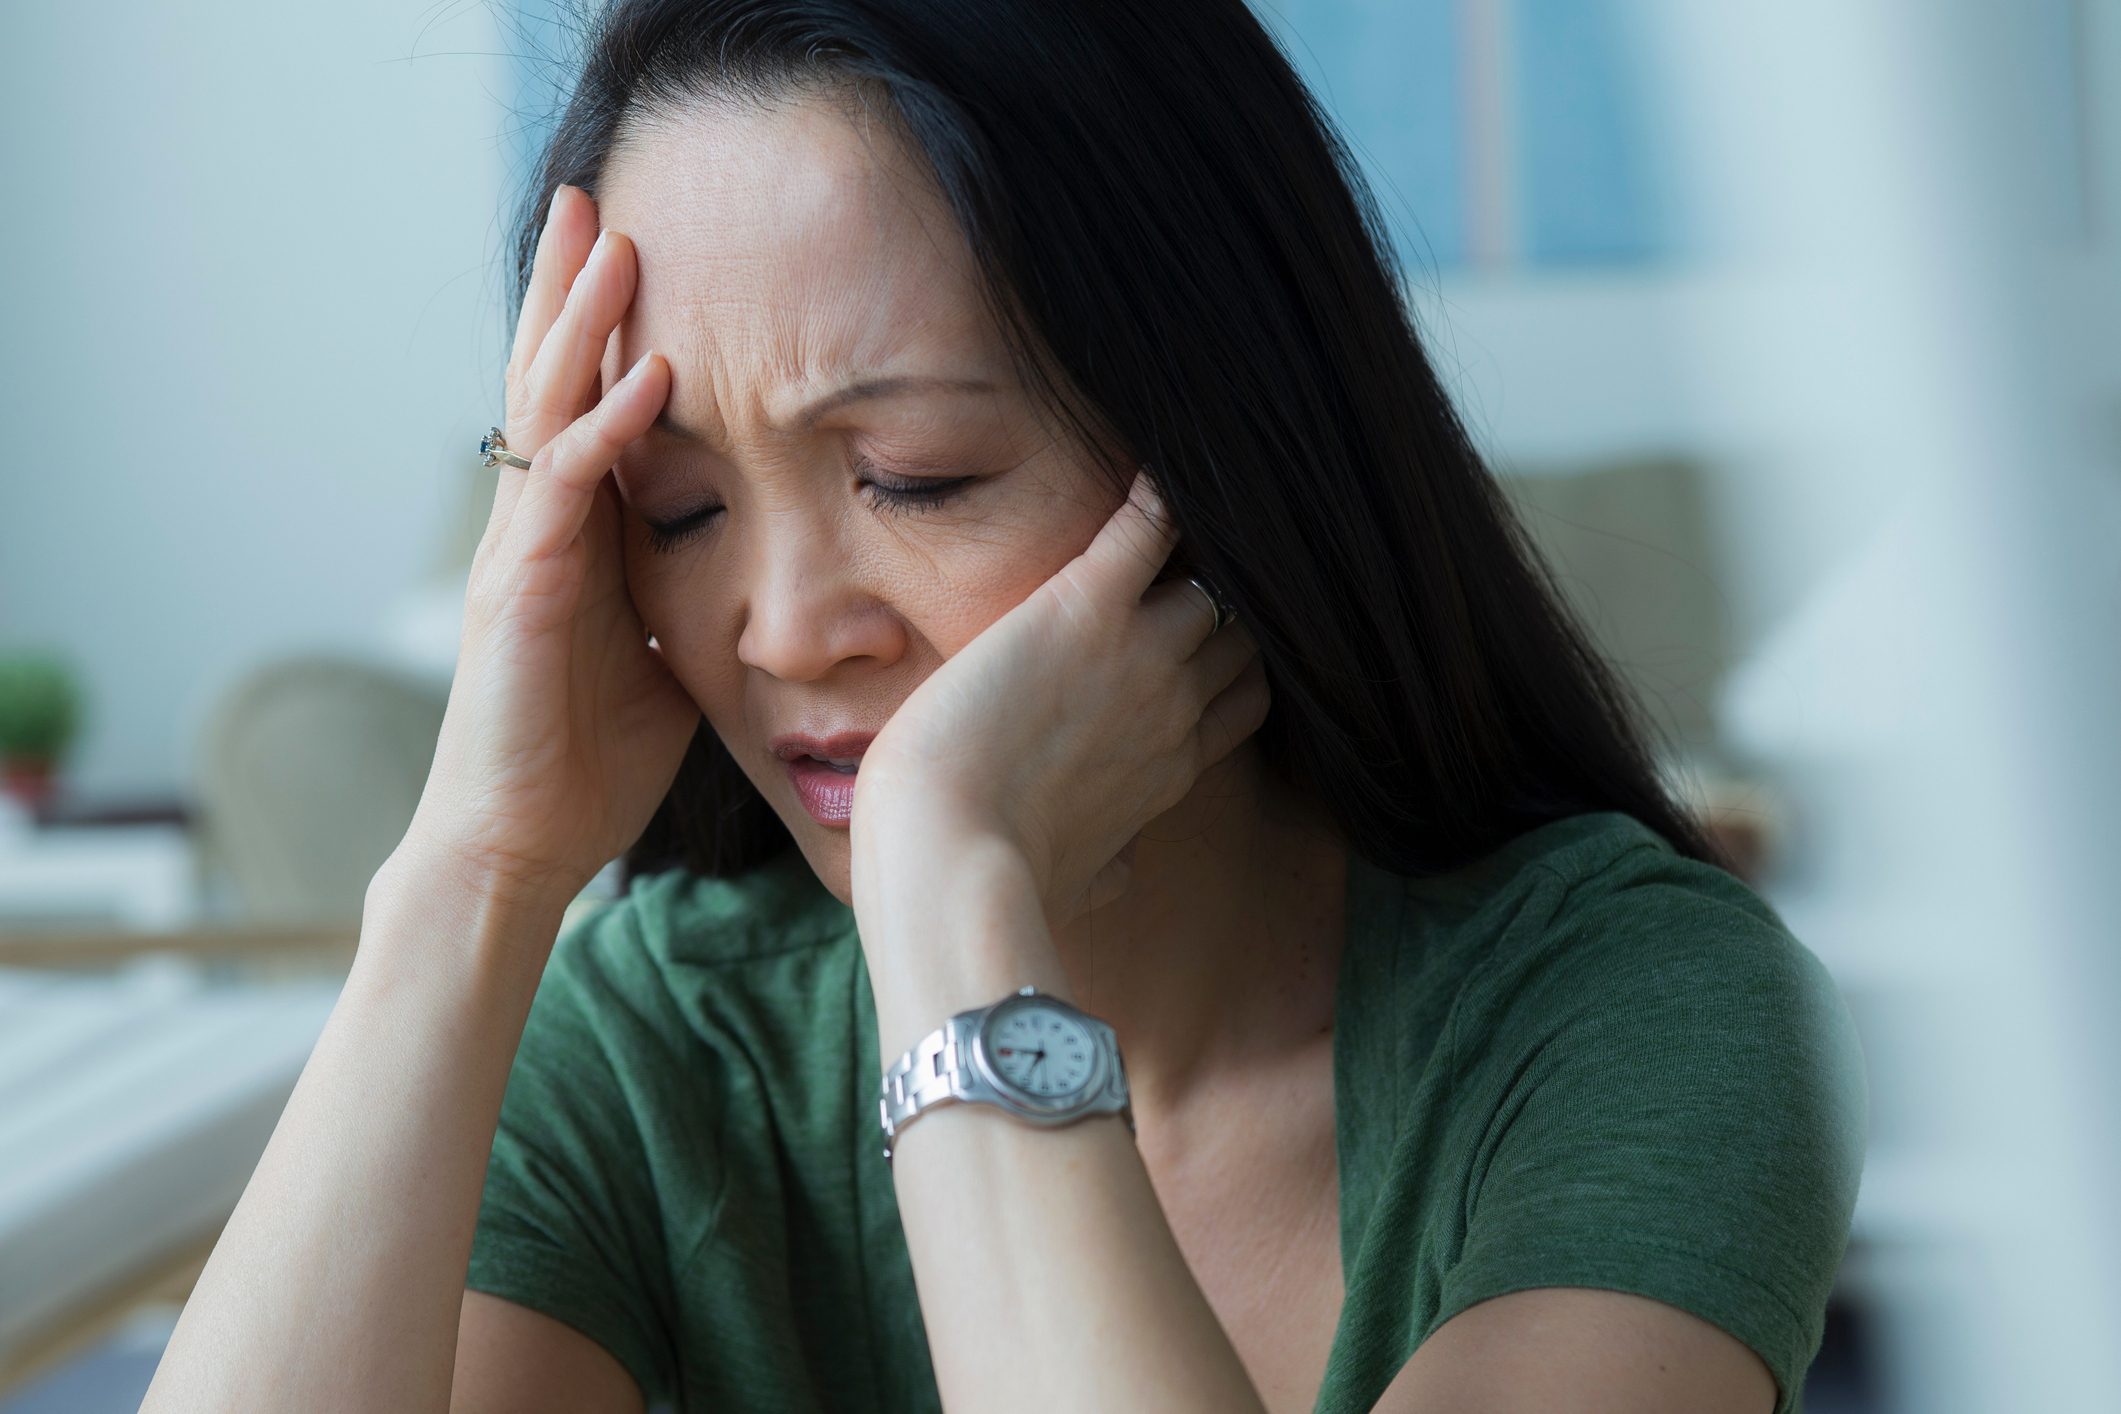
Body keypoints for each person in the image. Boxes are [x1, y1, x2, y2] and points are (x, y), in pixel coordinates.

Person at [141, 2, 1866, 1411]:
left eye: (913, 474)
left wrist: (957, 899)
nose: (785, 629)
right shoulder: (667, 1042)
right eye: (676, 508)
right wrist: (473, 871)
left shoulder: (1635, 1016)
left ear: (1222, 457)